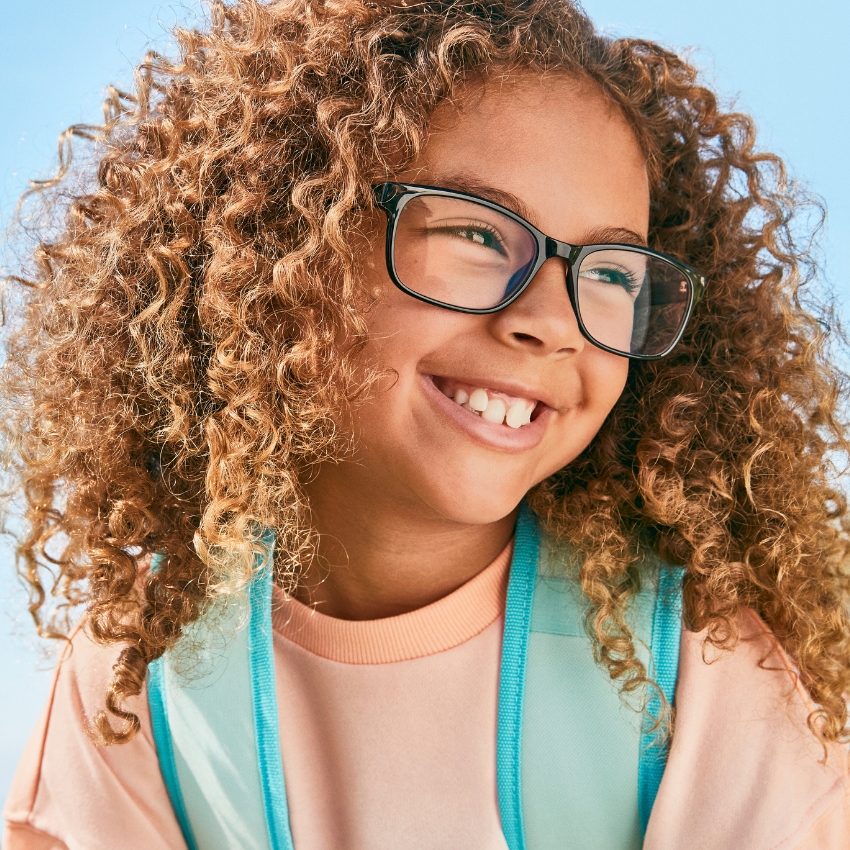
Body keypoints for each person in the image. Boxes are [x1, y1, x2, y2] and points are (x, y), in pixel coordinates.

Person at [2, 0, 850, 847]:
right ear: (285, 245)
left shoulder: (693, 669)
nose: (552, 322)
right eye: (478, 232)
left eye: (614, 274)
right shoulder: (136, 678)